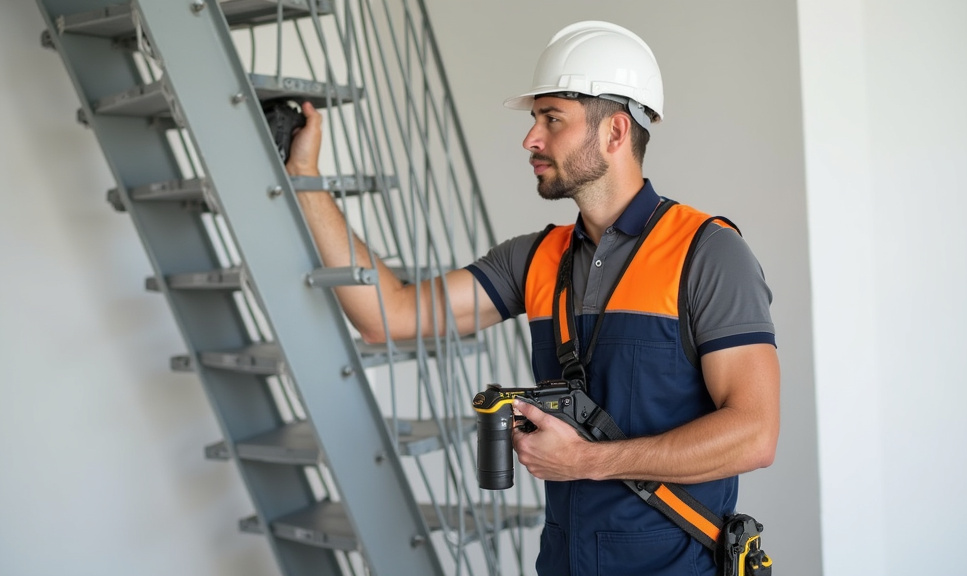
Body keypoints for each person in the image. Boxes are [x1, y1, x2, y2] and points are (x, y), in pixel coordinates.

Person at [287, 20, 779, 576]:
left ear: (616, 132)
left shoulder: (708, 254)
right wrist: (305, 178)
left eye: (552, 119)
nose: (531, 139)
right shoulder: (534, 259)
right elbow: (388, 315)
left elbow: (755, 434)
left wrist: (589, 461)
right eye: (534, 120)